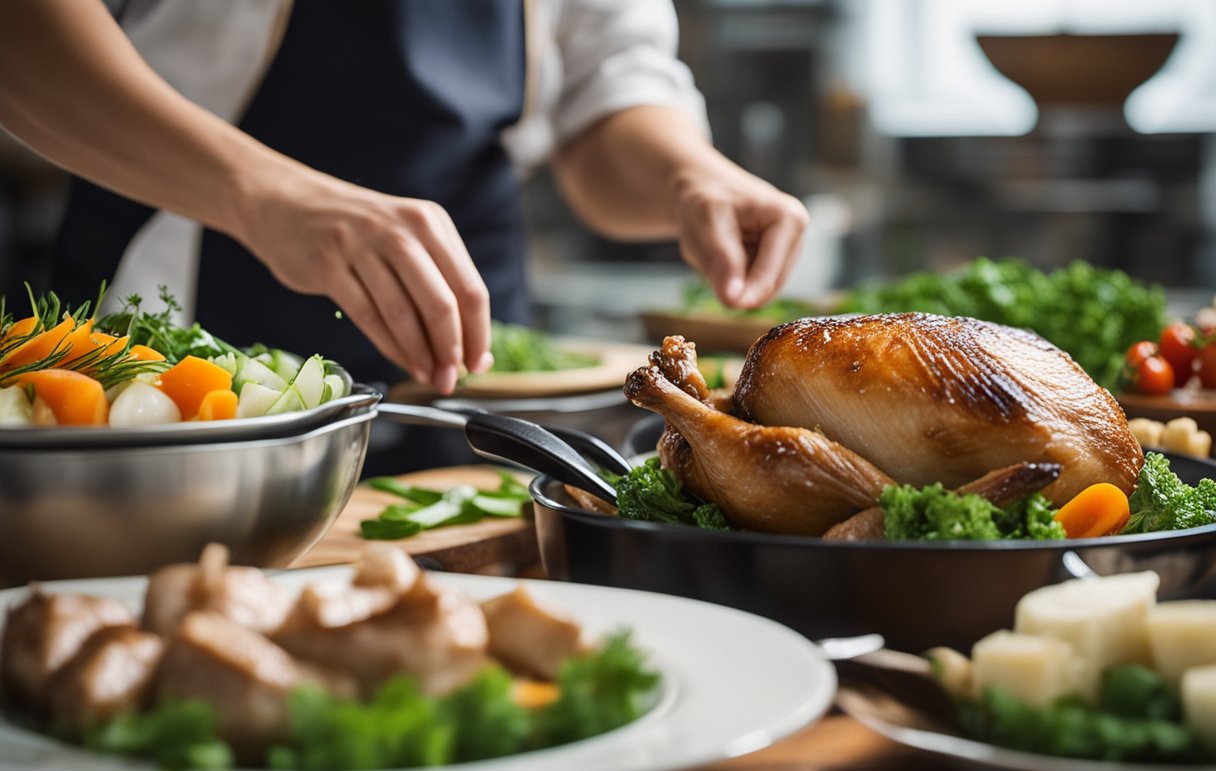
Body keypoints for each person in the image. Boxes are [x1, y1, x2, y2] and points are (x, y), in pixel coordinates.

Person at [0, 0, 807, 467]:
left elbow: (605, 96)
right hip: (167, 322)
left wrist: (684, 172)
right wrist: (263, 195)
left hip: (474, 377)